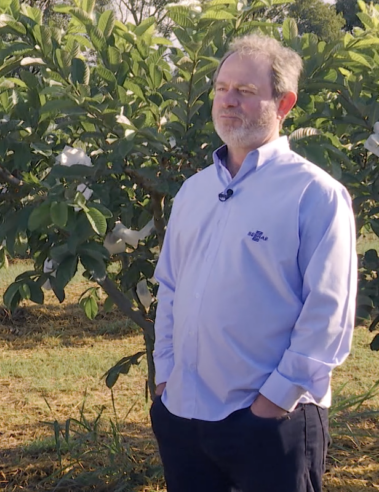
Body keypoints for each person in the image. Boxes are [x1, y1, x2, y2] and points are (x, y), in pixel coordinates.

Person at [150, 33, 356, 492]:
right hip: (184, 420)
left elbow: (328, 317)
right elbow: (172, 290)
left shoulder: (314, 194)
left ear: (284, 103)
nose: (228, 101)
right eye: (222, 88)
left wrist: (270, 405)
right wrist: (165, 380)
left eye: (245, 92)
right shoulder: (193, 191)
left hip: (270, 424)